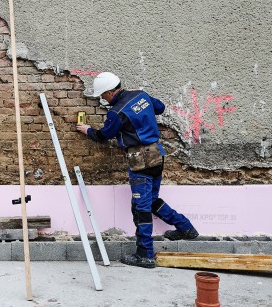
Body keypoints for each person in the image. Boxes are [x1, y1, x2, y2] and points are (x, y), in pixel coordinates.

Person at [76, 72, 198, 269]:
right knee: (151, 201)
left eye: (102, 95)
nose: (102, 99)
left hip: (140, 159)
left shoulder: (116, 112)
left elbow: (104, 135)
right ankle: (186, 228)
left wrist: (88, 130)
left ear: (109, 91)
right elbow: (160, 107)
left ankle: (145, 255)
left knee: (140, 208)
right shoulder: (141, 96)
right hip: (157, 154)